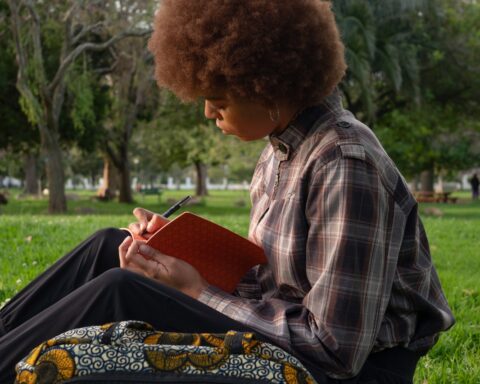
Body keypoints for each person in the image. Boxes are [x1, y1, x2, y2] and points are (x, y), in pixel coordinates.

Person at [0, 1, 454, 383]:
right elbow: (273, 280)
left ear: (268, 84)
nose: (207, 112)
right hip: (294, 334)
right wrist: (176, 250)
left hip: (344, 372)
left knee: (124, 287)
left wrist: (197, 291)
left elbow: (336, 348)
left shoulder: (345, 164)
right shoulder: (281, 151)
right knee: (110, 244)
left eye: (219, 97)